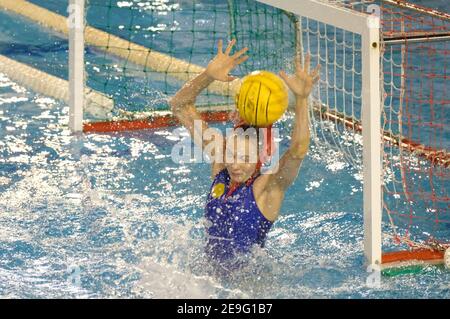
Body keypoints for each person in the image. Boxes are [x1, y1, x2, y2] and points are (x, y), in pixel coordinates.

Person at [169, 39, 320, 273]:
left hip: (248, 287)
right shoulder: (221, 165)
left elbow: (298, 150)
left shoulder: (269, 187)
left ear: (262, 157)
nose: (235, 165)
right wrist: (208, 75)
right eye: (232, 155)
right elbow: (179, 105)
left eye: (245, 158)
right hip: (206, 277)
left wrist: (301, 99)